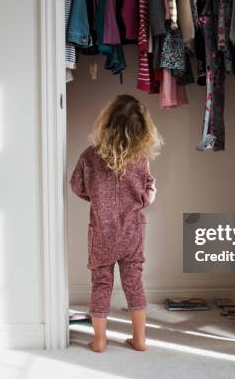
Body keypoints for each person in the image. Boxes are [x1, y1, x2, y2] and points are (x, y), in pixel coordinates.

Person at [70, 94, 162, 352]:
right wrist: (141, 200)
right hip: (132, 233)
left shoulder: (90, 156)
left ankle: (99, 341)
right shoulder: (140, 160)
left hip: (102, 233)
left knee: (101, 284)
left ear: (106, 123)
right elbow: (147, 194)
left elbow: (77, 186)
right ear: (142, 130)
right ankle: (140, 339)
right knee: (134, 283)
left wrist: (97, 198)